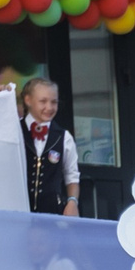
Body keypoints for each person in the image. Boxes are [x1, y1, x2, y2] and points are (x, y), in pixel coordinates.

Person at [19, 78, 79, 216]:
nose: (49, 107)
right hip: (18, 210)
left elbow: (72, 175)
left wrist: (72, 201)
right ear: (28, 100)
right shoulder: (15, 131)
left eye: (54, 102)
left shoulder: (64, 137)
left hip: (52, 212)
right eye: (43, 101)